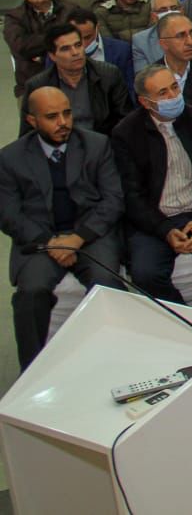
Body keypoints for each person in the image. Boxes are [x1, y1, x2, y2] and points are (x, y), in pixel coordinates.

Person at [0, 87, 125, 369]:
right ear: (32, 120)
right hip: (41, 241)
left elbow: (113, 200)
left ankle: (115, 363)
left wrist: (78, 238)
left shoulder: (97, 145)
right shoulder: (10, 158)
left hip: (89, 235)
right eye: (52, 117)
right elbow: (9, 215)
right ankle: (31, 373)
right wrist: (52, 243)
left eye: (67, 113)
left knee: (108, 283)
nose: (63, 122)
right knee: (31, 293)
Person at [111, 65, 192, 314]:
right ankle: (184, 319)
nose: (173, 96)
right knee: (145, 274)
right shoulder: (126, 134)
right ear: (145, 102)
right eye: (163, 93)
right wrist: (164, 230)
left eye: (174, 87)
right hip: (155, 220)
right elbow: (132, 195)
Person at [22, 22, 131, 135]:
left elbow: (125, 120)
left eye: (78, 45)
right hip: (60, 142)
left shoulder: (109, 75)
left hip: (103, 141)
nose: (75, 53)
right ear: (52, 56)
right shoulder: (38, 86)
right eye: (65, 49)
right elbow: (28, 133)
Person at [5, 0, 71, 97]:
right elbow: (21, 47)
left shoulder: (70, 10)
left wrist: (41, 54)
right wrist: (58, 39)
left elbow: (81, 40)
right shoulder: (15, 17)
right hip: (32, 84)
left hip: (69, 80)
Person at [132, 0, 192, 68]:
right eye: (163, 10)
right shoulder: (141, 41)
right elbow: (144, 75)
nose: (170, 12)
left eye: (174, 8)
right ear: (153, 17)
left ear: (182, 11)